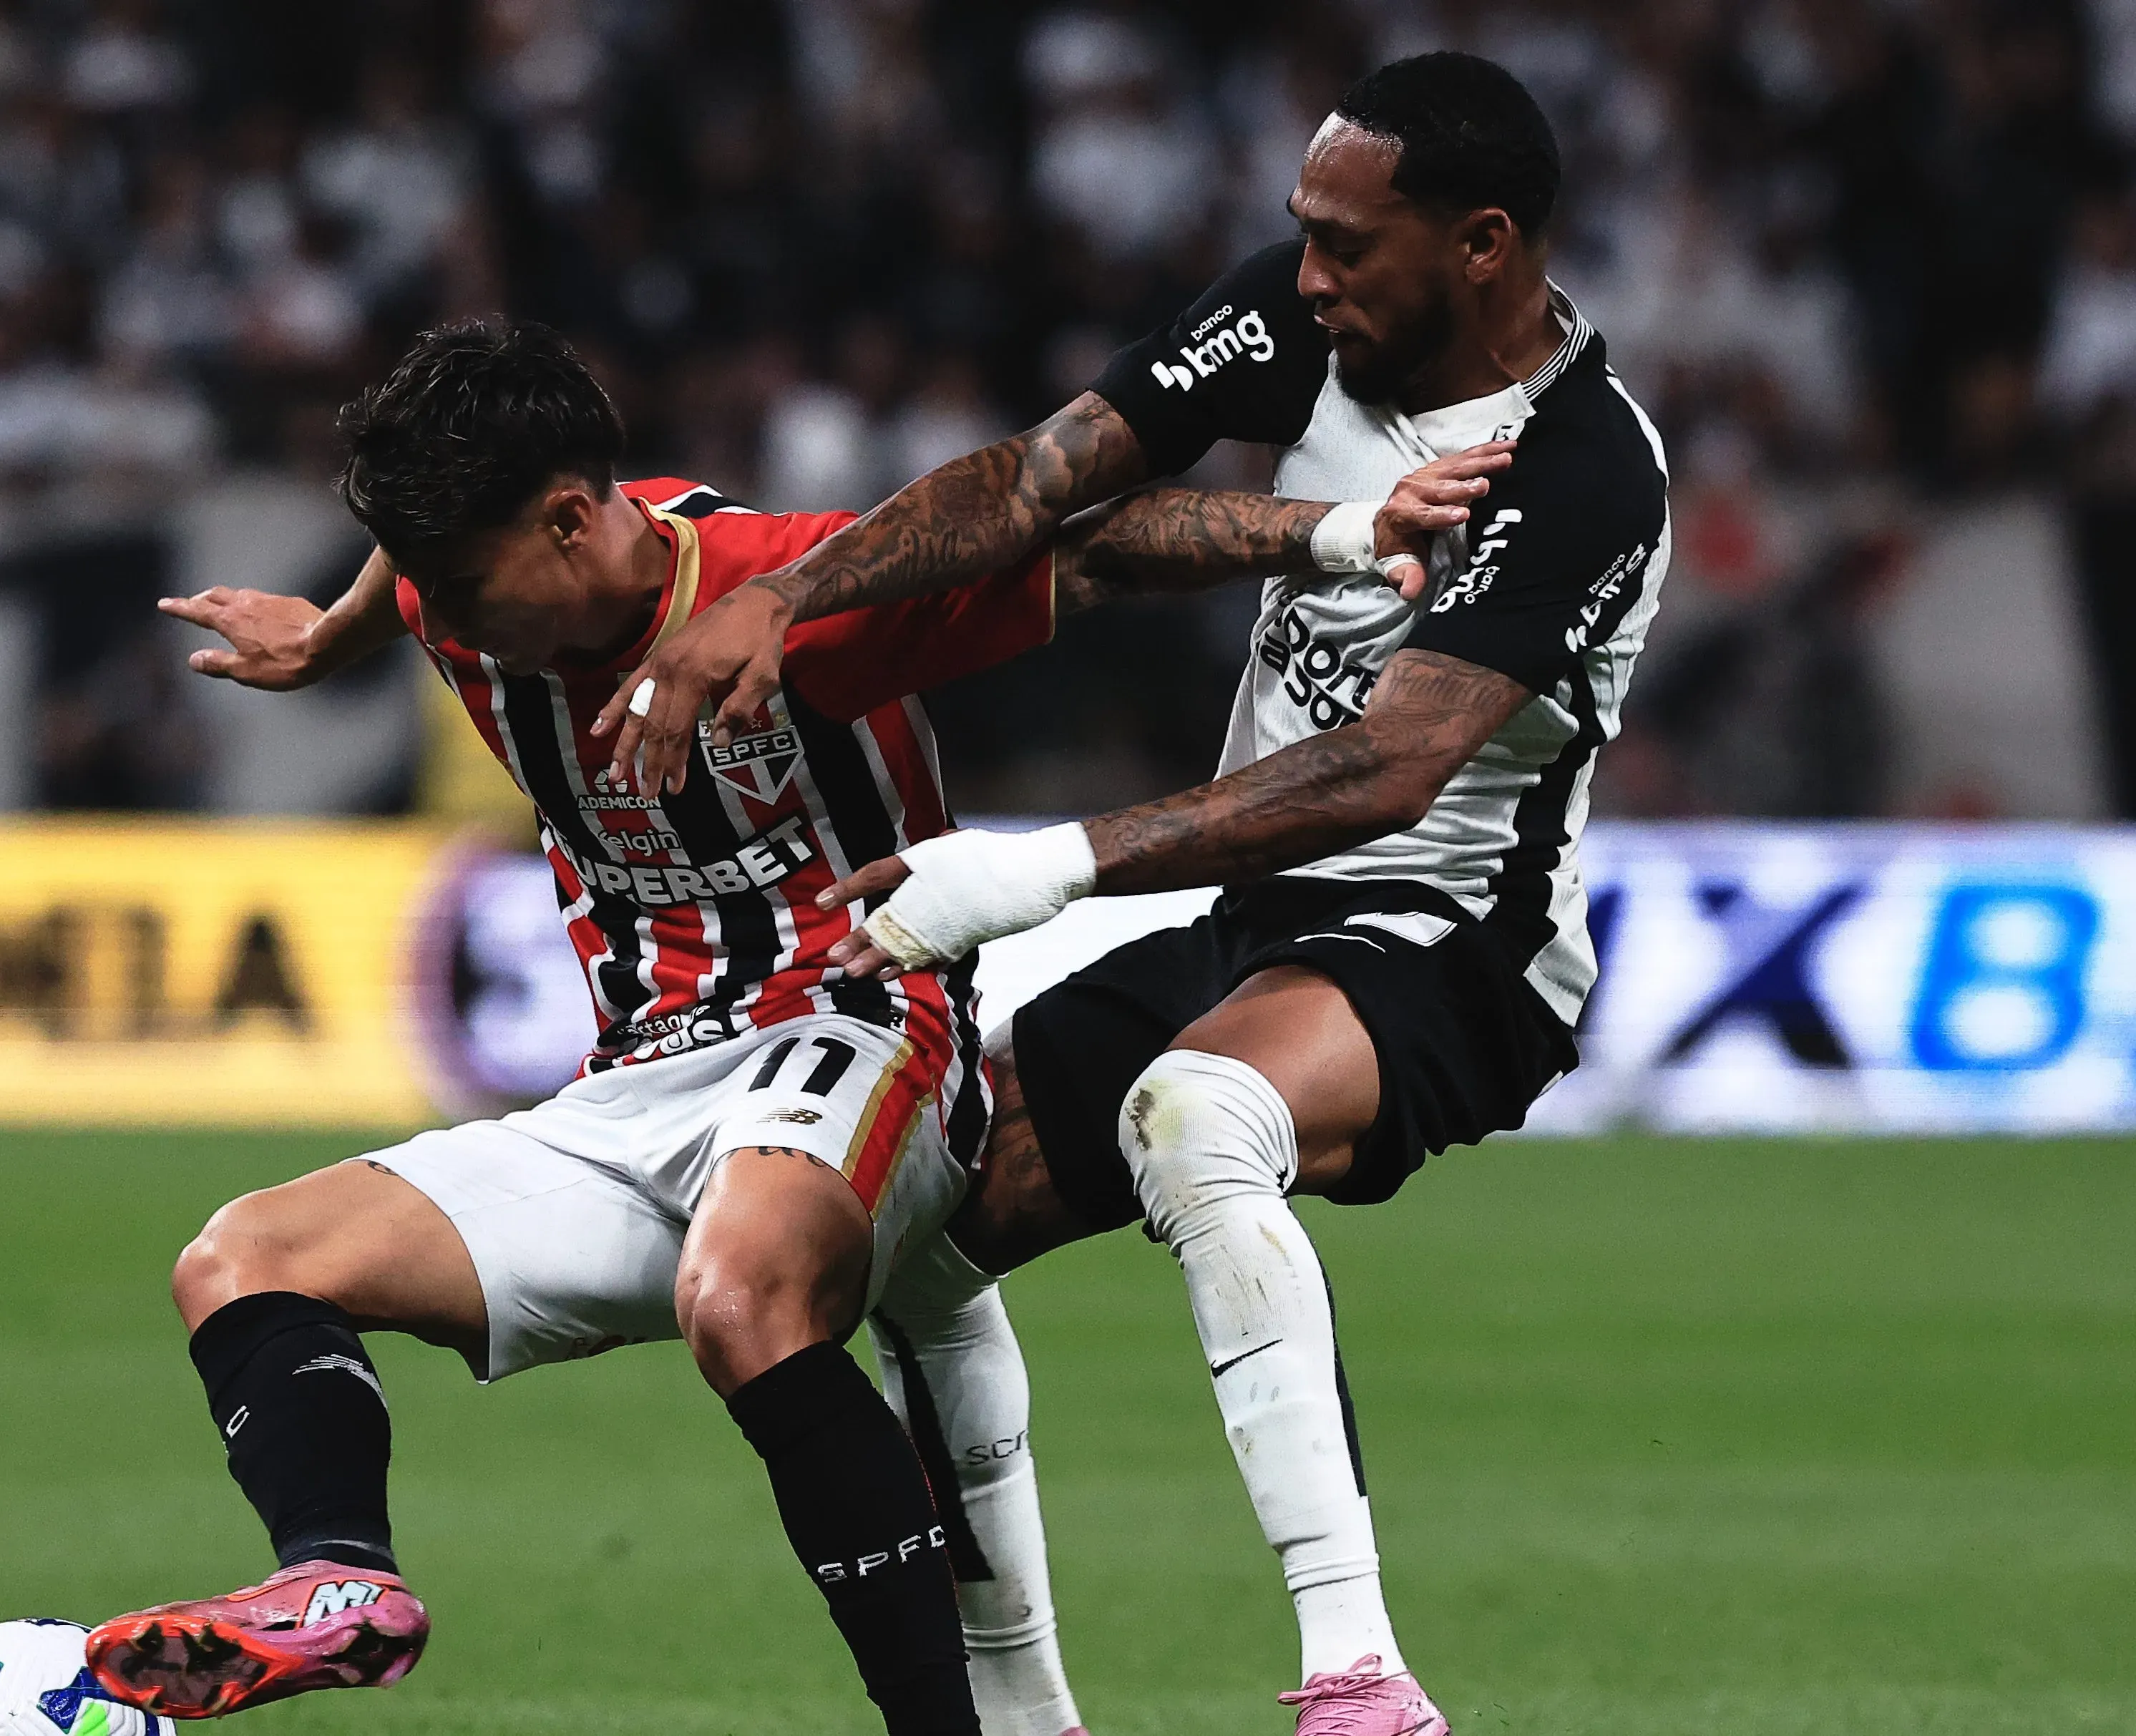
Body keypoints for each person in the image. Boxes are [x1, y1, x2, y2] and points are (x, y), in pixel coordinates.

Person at [82, 318, 1491, 1735]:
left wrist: (1338, 533)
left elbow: (1100, 546)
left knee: (743, 1291)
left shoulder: (784, 592)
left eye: (455, 580)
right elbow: (411, 565)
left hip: (868, 1027)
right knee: (244, 1254)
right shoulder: (463, 578)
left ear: (571, 518)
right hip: (635, 1086)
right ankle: (337, 1580)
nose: (436, 614)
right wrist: (331, 633)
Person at [598, 52, 1667, 1736]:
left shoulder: (1585, 464)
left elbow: (1387, 771)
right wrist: (780, 599)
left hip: (1447, 945)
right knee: (919, 1227)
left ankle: (1358, 1682)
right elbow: (1039, 481)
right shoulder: (1296, 319)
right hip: (1252, 913)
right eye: (1298, 235)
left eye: (1345, 244)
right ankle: (1023, 1717)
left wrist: (1031, 869)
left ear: (1479, 243)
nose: (1304, 276)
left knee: (1195, 1109)